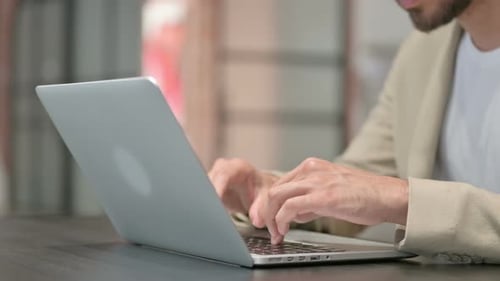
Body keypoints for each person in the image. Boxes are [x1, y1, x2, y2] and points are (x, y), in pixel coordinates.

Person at [208, 0, 500, 264]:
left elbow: (382, 193)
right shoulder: (424, 51)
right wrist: (272, 193)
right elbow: (358, 182)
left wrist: (402, 199)